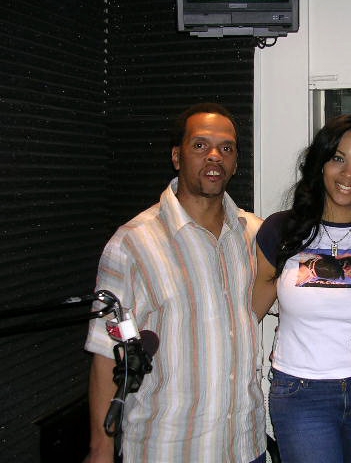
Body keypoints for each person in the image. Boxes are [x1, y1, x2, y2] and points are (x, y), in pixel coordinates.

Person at [84, 103, 266, 463]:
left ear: (235, 163)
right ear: (177, 157)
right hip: (168, 449)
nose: (214, 156)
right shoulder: (132, 243)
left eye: (226, 148)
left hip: (245, 446)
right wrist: (101, 449)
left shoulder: (253, 234)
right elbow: (107, 353)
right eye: (200, 145)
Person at [252, 115, 351, 463]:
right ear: (321, 163)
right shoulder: (281, 231)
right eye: (338, 158)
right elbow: (248, 315)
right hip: (301, 394)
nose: (349, 174)